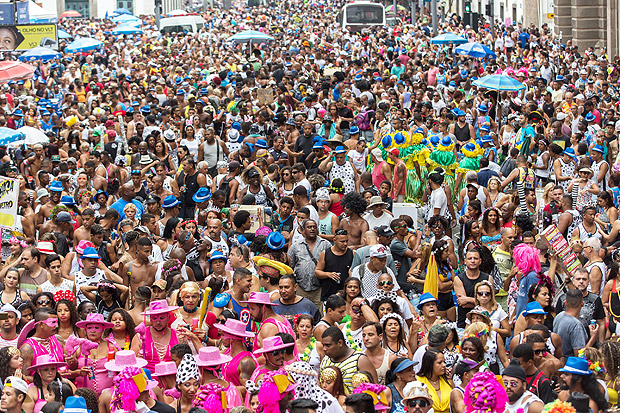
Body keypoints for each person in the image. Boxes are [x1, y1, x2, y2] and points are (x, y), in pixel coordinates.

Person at [320, 326, 378, 394]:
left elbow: (375, 389)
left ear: (340, 343)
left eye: (328, 345)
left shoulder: (359, 359)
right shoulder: (325, 360)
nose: (324, 349)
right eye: (323, 345)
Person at [130, 300, 181, 372]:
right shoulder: (140, 336)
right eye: (154, 318)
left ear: (168, 318)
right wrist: (138, 360)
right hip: (148, 379)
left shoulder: (178, 336)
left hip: (172, 379)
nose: (158, 322)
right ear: (150, 319)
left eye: (162, 318)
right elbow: (131, 365)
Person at [315, 229, 354, 303]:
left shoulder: (351, 253)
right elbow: (317, 272)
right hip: (328, 295)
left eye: (346, 241)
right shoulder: (325, 253)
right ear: (334, 240)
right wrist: (328, 274)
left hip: (346, 297)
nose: (345, 244)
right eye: (342, 241)